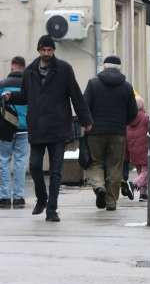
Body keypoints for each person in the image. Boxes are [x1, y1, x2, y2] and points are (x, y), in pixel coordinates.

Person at [2, 36, 92, 222]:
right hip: (37, 127)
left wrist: (85, 119)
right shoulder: (30, 72)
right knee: (34, 166)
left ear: (53, 51)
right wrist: (12, 97)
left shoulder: (64, 70)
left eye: (50, 50)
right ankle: (42, 198)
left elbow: (76, 95)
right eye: (44, 50)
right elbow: (26, 96)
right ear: (39, 50)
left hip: (58, 127)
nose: (47, 53)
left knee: (56, 171)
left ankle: (52, 209)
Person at [83, 56, 138, 211]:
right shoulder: (127, 87)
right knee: (115, 166)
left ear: (104, 67)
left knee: (95, 162)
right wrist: (123, 123)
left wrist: (87, 123)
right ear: (119, 68)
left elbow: (84, 106)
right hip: (118, 133)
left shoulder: (93, 84)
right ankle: (111, 201)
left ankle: (99, 187)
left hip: (95, 131)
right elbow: (133, 112)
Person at [0, 57, 29, 208]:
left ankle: (4, 198)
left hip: (5, 129)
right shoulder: (29, 86)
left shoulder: (2, 85)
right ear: (23, 68)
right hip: (24, 129)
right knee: (20, 162)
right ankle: (18, 198)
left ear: (12, 68)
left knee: (3, 161)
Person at [125, 96, 149, 200]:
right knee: (147, 171)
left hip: (133, 151)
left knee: (141, 172)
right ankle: (133, 185)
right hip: (145, 149)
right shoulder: (146, 117)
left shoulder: (128, 120)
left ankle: (143, 194)